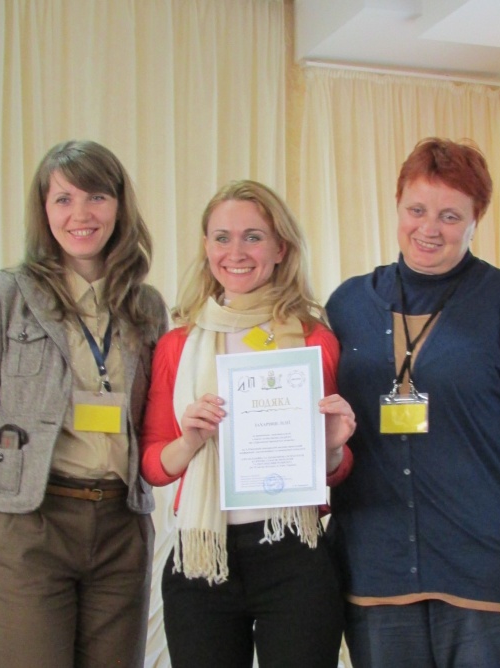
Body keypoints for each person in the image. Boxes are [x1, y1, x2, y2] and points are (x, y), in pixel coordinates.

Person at [325, 137, 500, 668]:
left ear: (476, 219)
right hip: (376, 574)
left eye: (450, 216)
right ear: (397, 205)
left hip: (489, 577)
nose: (429, 228)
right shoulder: (347, 305)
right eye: (417, 210)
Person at [0, 140, 168, 667]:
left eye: (96, 197)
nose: (80, 215)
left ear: (119, 206)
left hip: (121, 528)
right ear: (44, 210)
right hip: (31, 527)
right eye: (63, 199)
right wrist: (5, 504)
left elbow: (157, 418)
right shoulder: (5, 294)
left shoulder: (146, 307)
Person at [140, 179, 355, 668]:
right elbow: (153, 465)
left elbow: (337, 469)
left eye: (253, 237)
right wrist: (190, 440)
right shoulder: (178, 344)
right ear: (206, 247)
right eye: (222, 237)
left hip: (294, 553)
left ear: (281, 248)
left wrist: (332, 448)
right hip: (202, 555)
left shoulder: (313, 340)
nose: (235, 252)